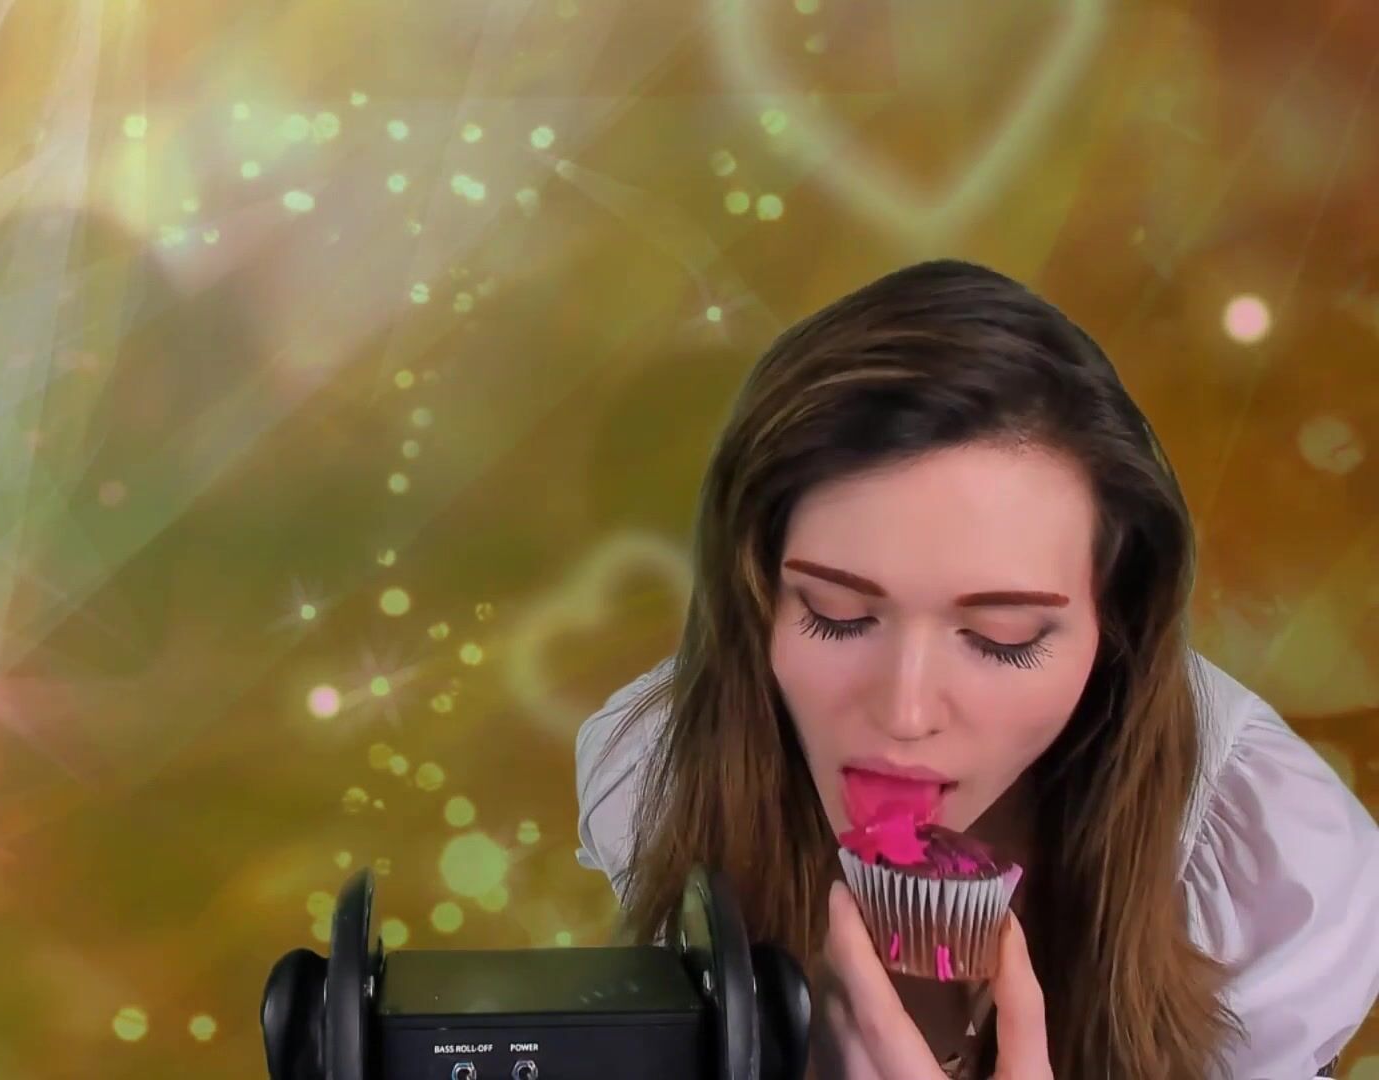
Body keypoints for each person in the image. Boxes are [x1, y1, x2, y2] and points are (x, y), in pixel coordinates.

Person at [571, 260, 1379, 1078]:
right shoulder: (661, 773)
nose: (906, 712)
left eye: (1003, 637)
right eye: (835, 615)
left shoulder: (1270, 869)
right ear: (755, 598)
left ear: (1115, 625)